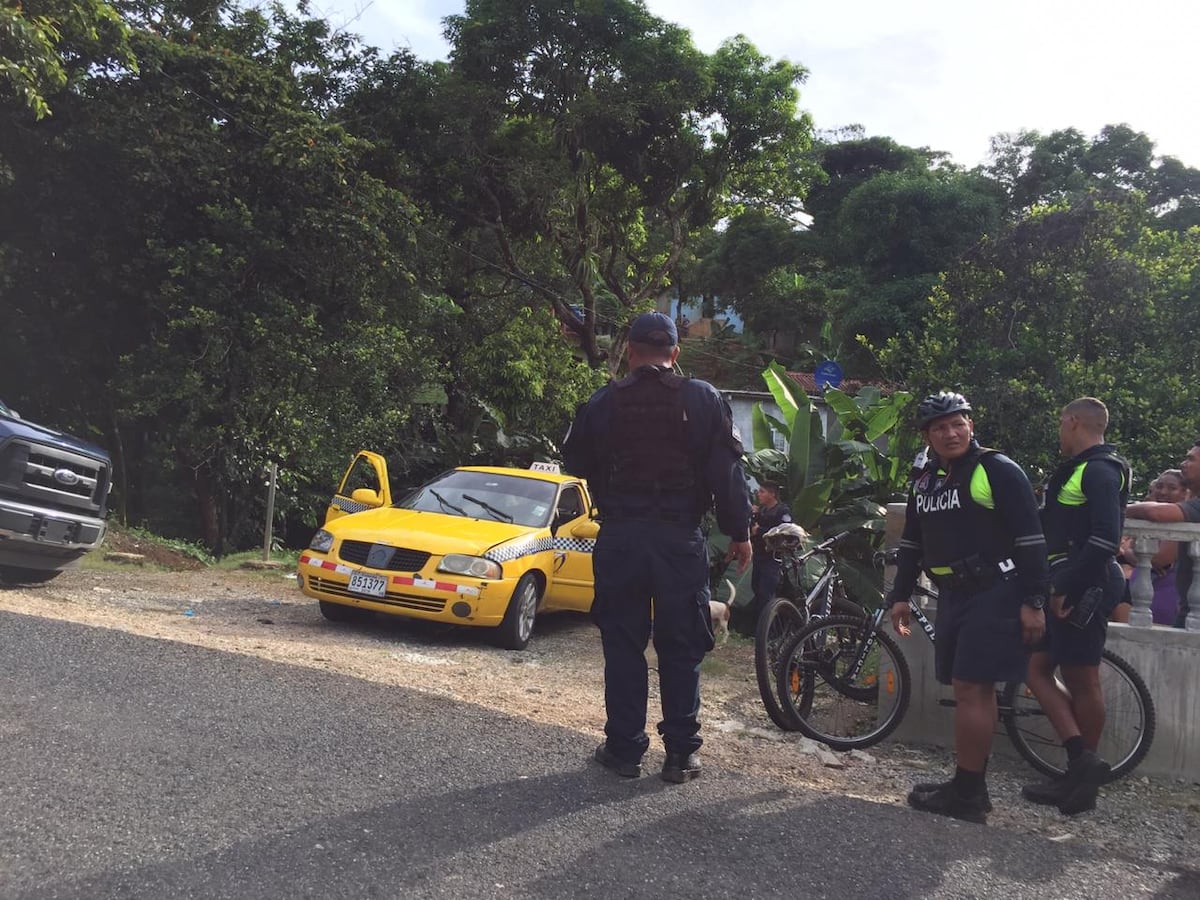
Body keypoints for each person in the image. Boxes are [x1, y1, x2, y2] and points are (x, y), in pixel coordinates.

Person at [562, 311, 752, 783]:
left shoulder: (604, 400)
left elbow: (575, 462)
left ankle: (624, 750)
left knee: (623, 644)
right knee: (681, 645)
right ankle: (680, 755)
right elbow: (726, 475)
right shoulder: (702, 398)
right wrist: (740, 532)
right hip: (678, 540)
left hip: (621, 538)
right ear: (675, 353)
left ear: (629, 352)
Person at [887, 391, 1048, 823]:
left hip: (996, 591)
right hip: (953, 595)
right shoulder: (926, 481)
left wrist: (1035, 600)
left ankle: (968, 794)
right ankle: (969, 786)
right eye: (940, 427)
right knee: (968, 690)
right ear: (927, 436)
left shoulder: (997, 469)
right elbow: (912, 542)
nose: (951, 433)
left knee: (973, 689)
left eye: (958, 423)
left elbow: (1032, 539)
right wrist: (900, 594)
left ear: (971, 425)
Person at [1021, 397, 1130, 815]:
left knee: (1082, 680)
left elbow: (1105, 538)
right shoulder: (1081, 468)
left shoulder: (1100, 470)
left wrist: (1066, 585)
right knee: (1036, 669)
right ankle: (1081, 763)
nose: (1058, 432)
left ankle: (1083, 779)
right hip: (1067, 579)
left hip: (1086, 583)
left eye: (1059, 424)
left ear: (1072, 422)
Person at [1126, 443, 1200, 629]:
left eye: (1190, 459)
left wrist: (1120, 510)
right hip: (1188, 609)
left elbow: (1156, 513)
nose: (1183, 464)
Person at [1117, 470, 1187, 624]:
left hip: (1166, 593)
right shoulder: (1148, 521)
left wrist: (1127, 553)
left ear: (1184, 493)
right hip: (1140, 589)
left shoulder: (1183, 521)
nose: (1163, 492)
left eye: (1172, 488)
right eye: (1159, 486)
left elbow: (1158, 560)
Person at [731, 482, 793, 635]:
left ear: (772, 494)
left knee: (767, 595)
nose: (759, 494)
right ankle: (759, 632)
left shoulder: (782, 511)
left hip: (772, 559)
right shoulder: (763, 511)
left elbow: (786, 532)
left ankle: (770, 634)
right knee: (758, 591)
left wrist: (761, 530)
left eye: (762, 492)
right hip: (759, 557)